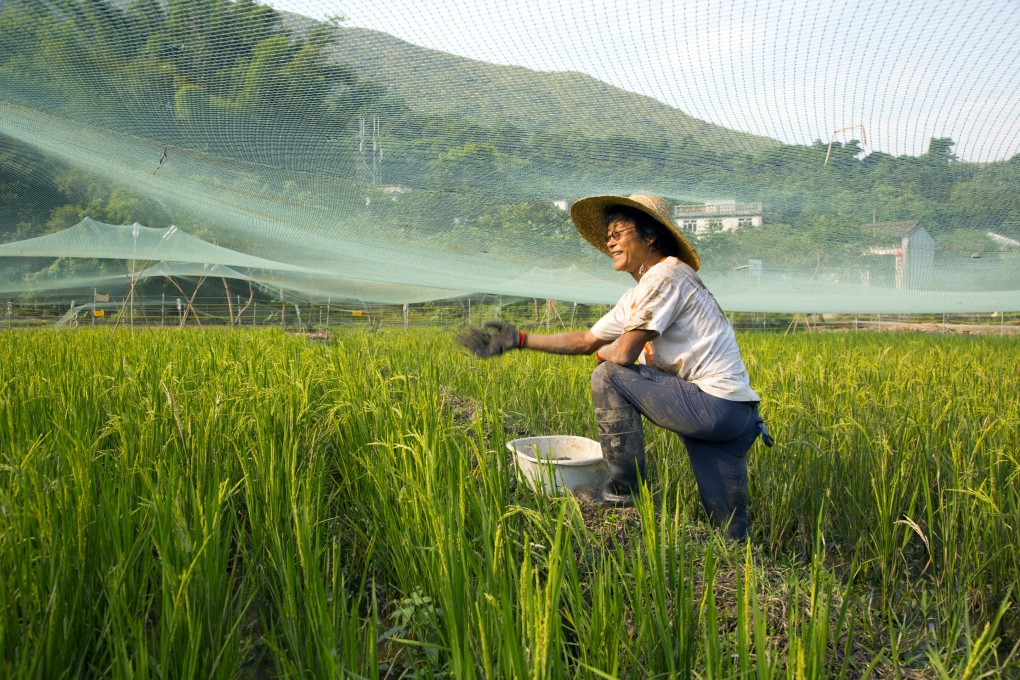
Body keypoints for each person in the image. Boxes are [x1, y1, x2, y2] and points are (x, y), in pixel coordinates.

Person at [456, 194, 770, 540]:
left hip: (712, 404)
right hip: (734, 414)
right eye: (608, 234)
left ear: (650, 237)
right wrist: (520, 340)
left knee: (609, 376)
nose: (610, 241)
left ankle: (624, 493)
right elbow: (586, 340)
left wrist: (607, 355)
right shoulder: (641, 293)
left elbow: (622, 354)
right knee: (729, 530)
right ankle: (742, 570)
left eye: (619, 232)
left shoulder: (665, 276)